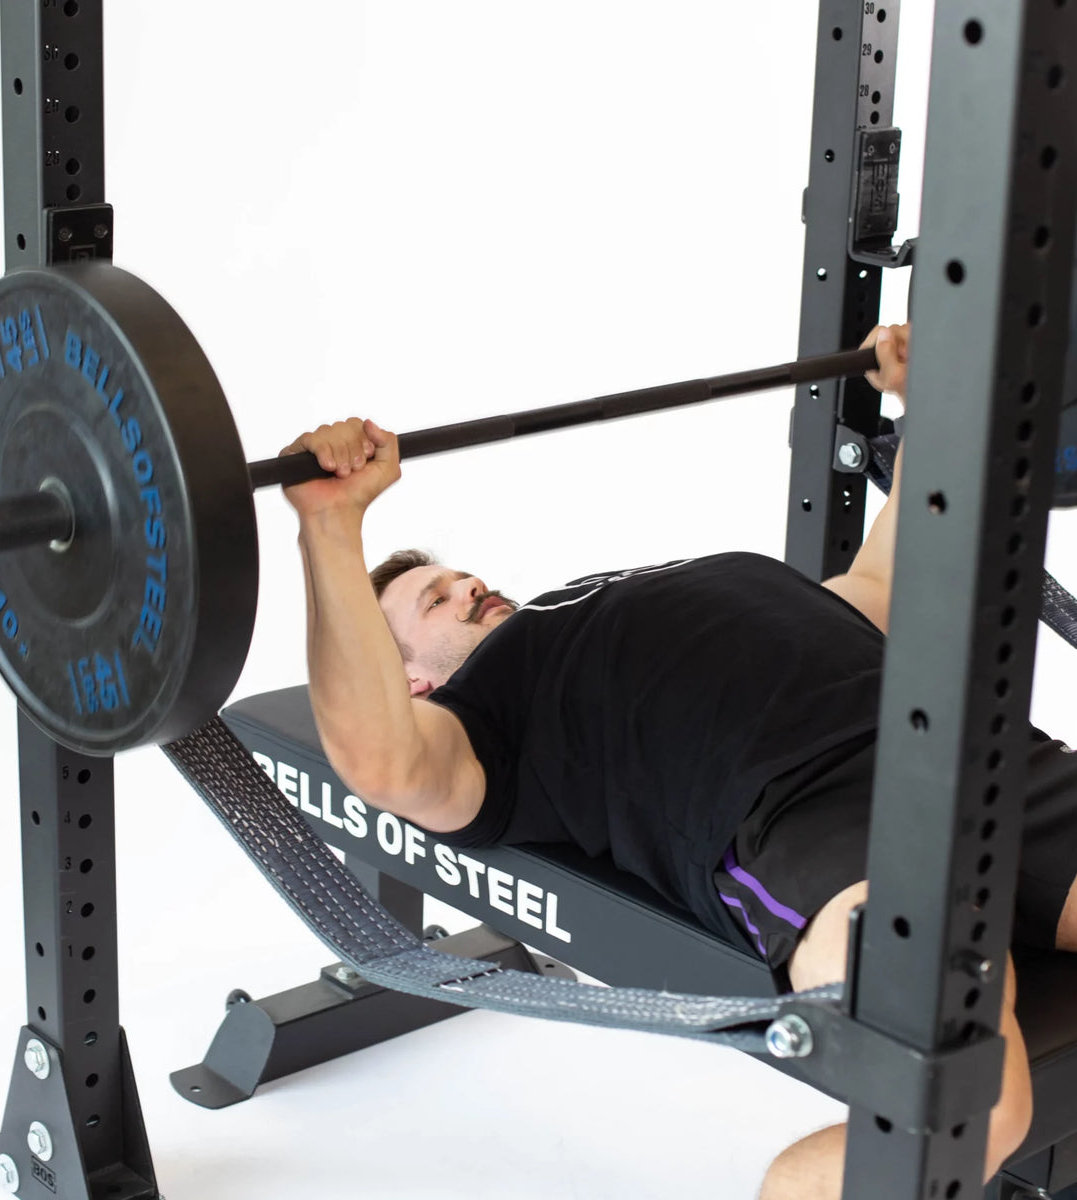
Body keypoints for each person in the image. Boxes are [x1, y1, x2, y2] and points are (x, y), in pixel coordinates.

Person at [280, 324, 1076, 1198]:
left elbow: (884, 583)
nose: (468, 586)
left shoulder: (658, 591)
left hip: (973, 760)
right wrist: (331, 526)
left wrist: (927, 405)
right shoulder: (492, 725)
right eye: (436, 600)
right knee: (963, 1096)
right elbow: (380, 761)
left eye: (461, 576)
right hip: (823, 831)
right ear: (412, 682)